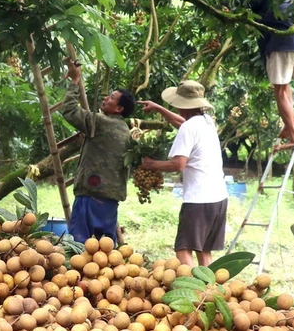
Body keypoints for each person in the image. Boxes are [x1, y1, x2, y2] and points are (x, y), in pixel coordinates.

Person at [139, 80, 227, 267]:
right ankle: (209, 291)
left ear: (180, 104)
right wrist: (160, 109)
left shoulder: (189, 127)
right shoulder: (206, 121)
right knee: (204, 249)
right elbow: (182, 122)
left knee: (183, 248)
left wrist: (151, 164)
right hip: (218, 197)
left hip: (198, 200)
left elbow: (178, 164)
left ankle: (193, 290)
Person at [58, 60, 134, 242]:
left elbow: (69, 110)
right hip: (109, 200)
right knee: (105, 247)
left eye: (111, 98)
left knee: (80, 245)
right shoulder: (126, 131)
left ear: (119, 108)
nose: (106, 98)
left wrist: (75, 81)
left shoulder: (100, 123)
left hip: (90, 196)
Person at [250, 0, 294, 151]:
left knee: (279, 91)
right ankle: (290, 120)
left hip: (282, 44)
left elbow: (250, 8)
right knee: (285, 86)